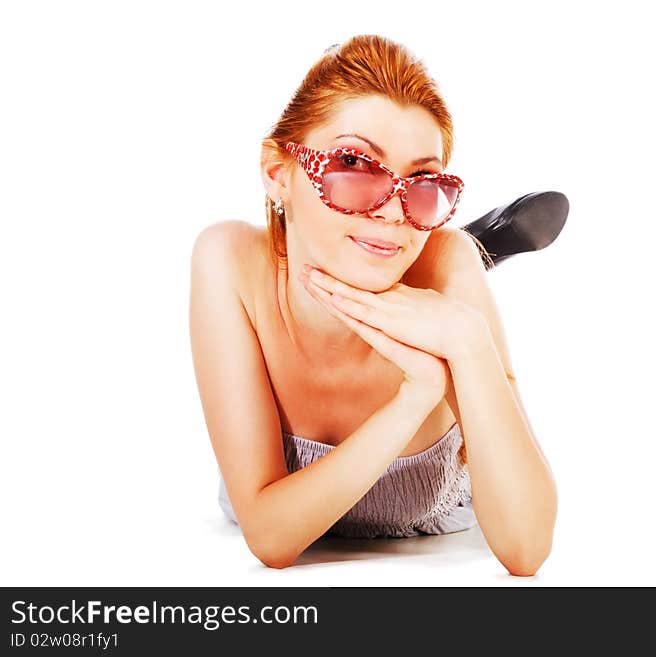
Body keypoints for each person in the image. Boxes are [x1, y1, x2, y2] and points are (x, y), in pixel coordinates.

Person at [189, 35, 561, 576]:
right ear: (277, 173)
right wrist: (417, 396)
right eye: (354, 165)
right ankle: (483, 244)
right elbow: (270, 536)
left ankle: (482, 246)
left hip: (433, 509)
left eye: (422, 183)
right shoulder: (230, 261)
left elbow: (527, 550)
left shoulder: (444, 262)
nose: (391, 211)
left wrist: (466, 338)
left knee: (450, 255)